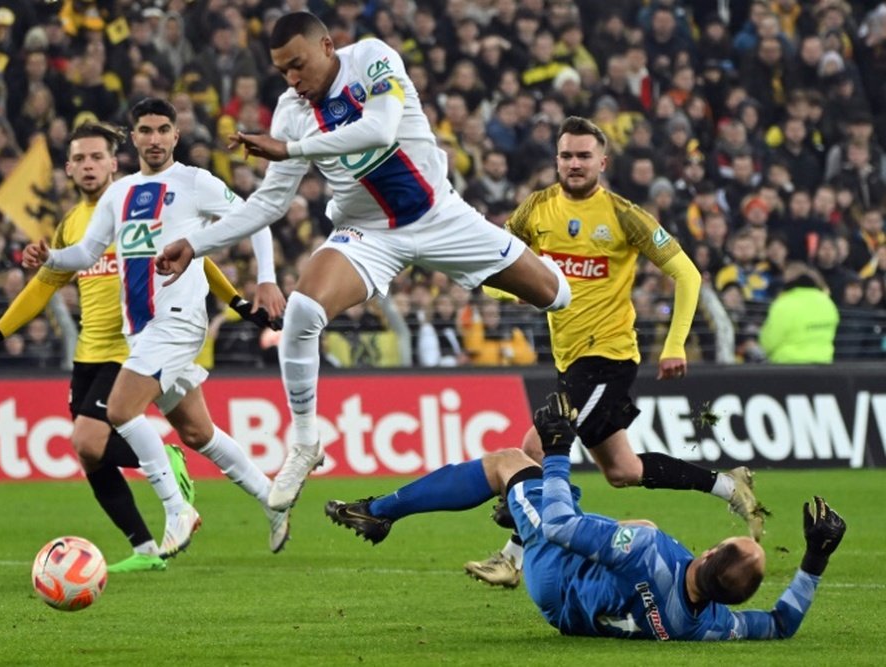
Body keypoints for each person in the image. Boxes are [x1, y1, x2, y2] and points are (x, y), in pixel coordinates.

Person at [155, 12, 571, 512]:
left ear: (328, 46)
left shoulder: (372, 58)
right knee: (303, 312)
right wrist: (195, 244)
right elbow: (268, 204)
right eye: (282, 71)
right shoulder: (291, 110)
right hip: (368, 234)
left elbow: (379, 129)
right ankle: (306, 441)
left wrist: (290, 149)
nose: (292, 80)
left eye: (298, 65)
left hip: (440, 216)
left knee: (558, 295)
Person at [0, 121, 289, 571]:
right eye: (79, 158)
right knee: (192, 433)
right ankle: (237, 511)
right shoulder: (74, 225)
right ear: (68, 168)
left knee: (91, 435)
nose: (88, 166)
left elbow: (195, 256)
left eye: (96, 157)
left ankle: (174, 499)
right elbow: (47, 283)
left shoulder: (144, 200)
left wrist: (236, 300)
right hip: (93, 349)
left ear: (114, 161)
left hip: (141, 343)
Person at [464, 116, 764, 590]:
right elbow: (498, 268)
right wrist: (511, 292)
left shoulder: (625, 215)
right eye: (567, 155)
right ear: (556, 160)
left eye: (584, 156)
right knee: (623, 471)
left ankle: (512, 558)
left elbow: (687, 274)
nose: (575, 163)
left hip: (609, 356)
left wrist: (674, 343)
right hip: (569, 360)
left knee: (536, 447)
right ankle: (729, 485)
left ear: (602, 161)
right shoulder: (535, 211)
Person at [326, 393, 847, 641]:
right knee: (636, 520)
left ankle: (381, 513)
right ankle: (518, 525)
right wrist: (814, 559)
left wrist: (557, 451)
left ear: (709, 552)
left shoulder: (653, 556)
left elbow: (561, 529)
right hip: (581, 616)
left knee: (513, 462)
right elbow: (781, 625)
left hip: (557, 578)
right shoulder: (709, 627)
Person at [759, 262, 840, 363]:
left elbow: (770, 341)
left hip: (789, 365)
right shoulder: (827, 302)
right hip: (823, 362)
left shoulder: (784, 304)